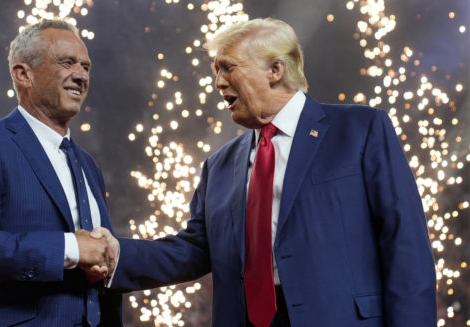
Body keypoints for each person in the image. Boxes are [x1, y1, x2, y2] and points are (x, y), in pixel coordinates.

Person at [104, 18, 437, 326]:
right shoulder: (217, 166)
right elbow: (192, 251)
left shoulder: (360, 129)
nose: (218, 82)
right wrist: (114, 254)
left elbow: (404, 243)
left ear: (276, 69)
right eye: (215, 71)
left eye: (228, 68)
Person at [0, 19, 121, 326]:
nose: (81, 75)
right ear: (23, 75)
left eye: (86, 67)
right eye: (67, 63)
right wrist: (71, 248)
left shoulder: (88, 165)